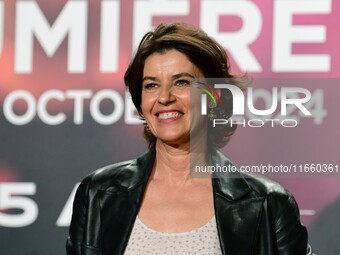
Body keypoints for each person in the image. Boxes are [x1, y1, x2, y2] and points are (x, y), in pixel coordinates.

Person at [66, 23, 313, 255]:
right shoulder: (98, 192)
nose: (164, 97)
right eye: (151, 85)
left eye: (181, 82)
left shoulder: (268, 204)